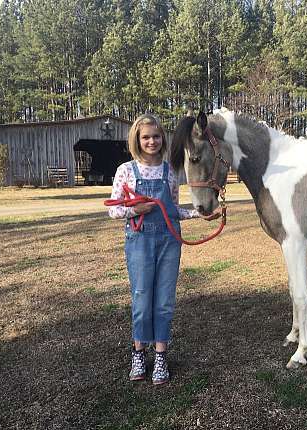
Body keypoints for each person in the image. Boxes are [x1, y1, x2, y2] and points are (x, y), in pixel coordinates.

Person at [108, 113, 218, 384]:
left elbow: (173, 210)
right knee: (142, 299)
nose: (152, 141)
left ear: (162, 138)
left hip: (169, 241)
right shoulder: (125, 171)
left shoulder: (170, 172)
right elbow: (113, 210)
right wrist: (136, 210)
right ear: (137, 139)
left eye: (156, 136)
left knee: (165, 301)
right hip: (140, 242)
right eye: (146, 137)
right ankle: (138, 353)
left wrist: (199, 214)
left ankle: (160, 357)